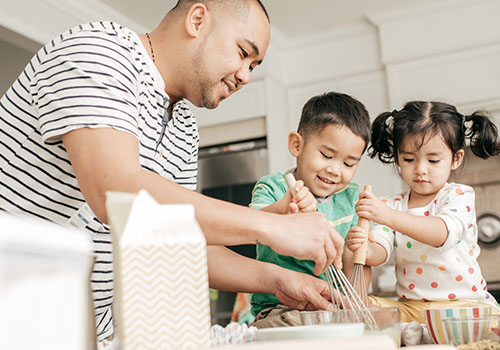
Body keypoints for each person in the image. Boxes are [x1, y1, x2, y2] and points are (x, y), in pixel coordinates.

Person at [0, 0, 344, 340]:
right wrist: (269, 226)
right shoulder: (101, 50)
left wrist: (276, 279)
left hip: (82, 330)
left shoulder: (183, 128)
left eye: (254, 66)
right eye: (242, 53)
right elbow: (114, 191)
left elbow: (175, 236)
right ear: (196, 20)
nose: (245, 76)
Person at [346, 101, 500, 325]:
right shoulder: (393, 204)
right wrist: (362, 246)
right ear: (397, 157)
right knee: (365, 310)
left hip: (463, 305)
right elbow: (381, 252)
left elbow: (441, 235)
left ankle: (421, 333)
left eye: (433, 160)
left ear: (455, 159)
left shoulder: (459, 195)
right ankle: (418, 332)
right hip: (412, 308)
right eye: (408, 159)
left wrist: (387, 216)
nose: (420, 169)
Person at [248, 91, 372, 328]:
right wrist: (283, 211)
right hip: (280, 309)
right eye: (327, 155)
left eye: (348, 163)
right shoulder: (274, 187)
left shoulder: (352, 198)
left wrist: (357, 310)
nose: (335, 170)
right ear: (297, 145)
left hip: (333, 309)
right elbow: (252, 224)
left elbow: (357, 265)